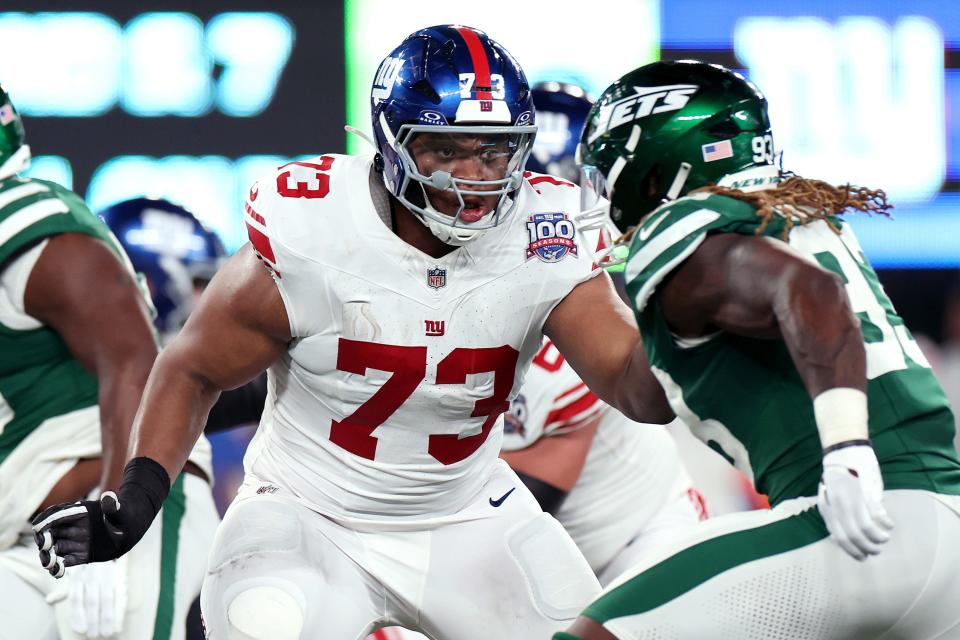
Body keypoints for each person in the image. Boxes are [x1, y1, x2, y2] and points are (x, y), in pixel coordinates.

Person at [32, 26, 673, 640]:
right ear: (393, 144)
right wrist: (139, 495)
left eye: (493, 149)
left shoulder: (545, 234)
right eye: (445, 149)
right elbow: (192, 369)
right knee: (264, 625)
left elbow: (636, 388)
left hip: (467, 512)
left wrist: (687, 295)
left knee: (578, 633)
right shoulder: (315, 230)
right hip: (309, 514)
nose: (474, 178)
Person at [557, 60, 960, 639]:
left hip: (857, 522)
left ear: (655, 167)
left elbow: (811, 295)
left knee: (597, 633)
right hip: (938, 527)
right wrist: (548, 284)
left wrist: (846, 447)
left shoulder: (680, 230)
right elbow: (641, 389)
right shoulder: (790, 216)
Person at [0, 86, 218, 640]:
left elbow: (133, 361)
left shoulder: (30, 223)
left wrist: (113, 524)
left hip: (117, 514)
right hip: (21, 540)